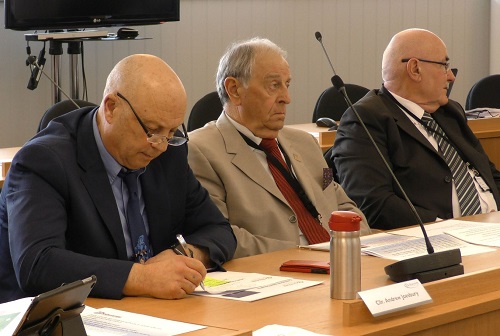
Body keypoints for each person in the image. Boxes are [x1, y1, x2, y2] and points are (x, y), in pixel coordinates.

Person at [0, 54, 236, 304]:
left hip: (146, 310)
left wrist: (184, 255)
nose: (162, 146)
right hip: (60, 319)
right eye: (153, 131)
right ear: (111, 108)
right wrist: (143, 277)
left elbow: (218, 230)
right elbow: (38, 264)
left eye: (172, 131)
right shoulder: (44, 160)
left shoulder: (170, 152)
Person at [187, 37, 370, 258]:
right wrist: (304, 255)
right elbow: (219, 234)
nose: (286, 98)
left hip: (341, 260)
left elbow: (339, 201)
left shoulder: (306, 144)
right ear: (234, 89)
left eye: (287, 84)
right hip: (276, 273)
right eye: (274, 85)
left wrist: (352, 243)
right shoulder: (200, 151)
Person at [328, 28, 500, 230]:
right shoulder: (365, 120)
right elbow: (372, 203)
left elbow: (490, 175)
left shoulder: (450, 111)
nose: (451, 76)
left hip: (490, 228)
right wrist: (446, 228)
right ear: (415, 69)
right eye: (444, 65)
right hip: (438, 238)